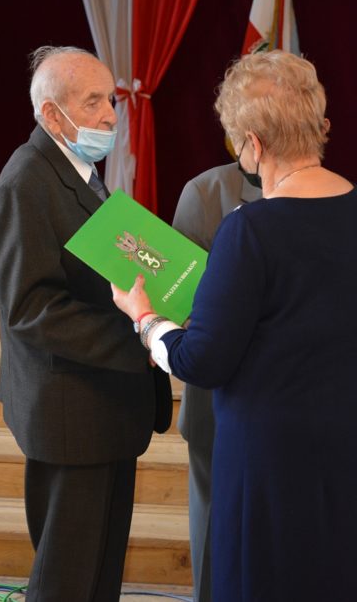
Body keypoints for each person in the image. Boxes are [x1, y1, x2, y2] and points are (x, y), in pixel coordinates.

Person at [112, 49, 357, 602]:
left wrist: (145, 319)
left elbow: (202, 360)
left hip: (271, 459)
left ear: (254, 143)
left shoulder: (251, 230)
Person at [0, 45, 172, 602]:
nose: (110, 115)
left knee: (99, 576)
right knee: (66, 581)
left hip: (104, 407)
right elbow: (30, 309)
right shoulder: (26, 182)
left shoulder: (76, 168)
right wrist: (138, 336)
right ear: (51, 114)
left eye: (110, 99)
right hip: (72, 415)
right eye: (94, 102)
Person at [173, 163, 261, 602]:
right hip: (218, 401)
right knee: (214, 537)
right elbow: (180, 302)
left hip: (292, 405)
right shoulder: (205, 194)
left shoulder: (327, 194)